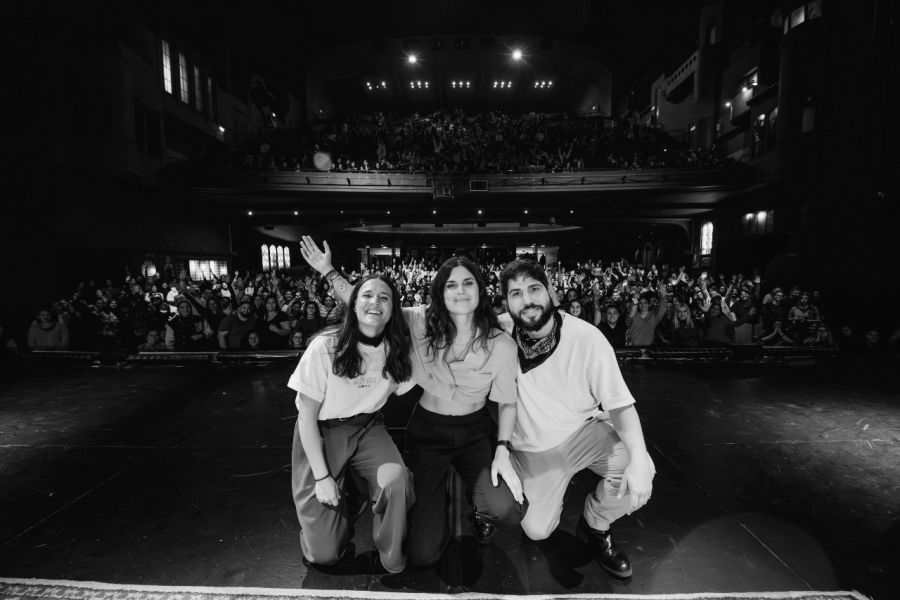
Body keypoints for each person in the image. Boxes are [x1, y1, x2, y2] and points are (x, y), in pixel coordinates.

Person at [300, 237, 522, 568]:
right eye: (451, 285)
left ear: (480, 289)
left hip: (475, 432)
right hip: (429, 431)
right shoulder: (419, 321)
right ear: (440, 293)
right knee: (422, 554)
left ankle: (481, 510)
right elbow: (370, 306)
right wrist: (328, 271)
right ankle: (439, 497)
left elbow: (507, 399)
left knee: (509, 510)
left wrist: (503, 447)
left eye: (467, 283)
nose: (459, 291)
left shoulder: (499, 338)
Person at [497, 259, 655, 580]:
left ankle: (596, 523)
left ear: (553, 293)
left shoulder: (587, 338)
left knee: (640, 469)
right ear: (506, 303)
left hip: (584, 433)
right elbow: (439, 319)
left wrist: (639, 458)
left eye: (534, 289)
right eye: (516, 293)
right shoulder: (497, 332)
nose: (526, 300)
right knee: (537, 531)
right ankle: (548, 485)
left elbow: (620, 406)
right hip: (533, 449)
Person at [288, 274, 415, 574]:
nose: (375, 302)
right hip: (322, 432)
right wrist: (321, 477)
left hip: (368, 428)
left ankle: (391, 552)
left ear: (393, 308)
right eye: (367, 295)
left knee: (397, 480)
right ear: (353, 303)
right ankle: (345, 496)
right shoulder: (325, 346)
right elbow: (305, 416)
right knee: (325, 554)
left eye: (384, 298)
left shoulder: (396, 347)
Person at [626, 282, 668, 346]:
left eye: (645, 303)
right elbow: (633, 309)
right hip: (633, 350)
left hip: (647, 350)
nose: (643, 305)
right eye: (640, 303)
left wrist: (664, 295)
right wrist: (634, 298)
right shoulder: (634, 315)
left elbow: (662, 308)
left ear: (649, 304)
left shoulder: (654, 316)